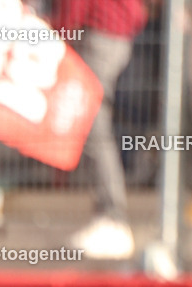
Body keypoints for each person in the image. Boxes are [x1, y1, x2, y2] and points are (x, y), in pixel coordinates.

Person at [53, 0, 149, 258]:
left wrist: (60, 30)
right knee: (95, 124)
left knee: (94, 126)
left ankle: (112, 217)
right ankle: (109, 216)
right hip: (113, 31)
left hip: (100, 32)